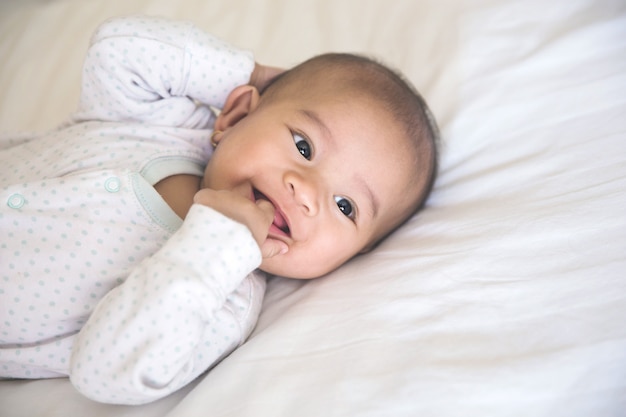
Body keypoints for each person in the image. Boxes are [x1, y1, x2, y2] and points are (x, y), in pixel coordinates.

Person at [0, 15, 438, 404]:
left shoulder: (223, 300)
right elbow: (118, 47)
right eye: (303, 145)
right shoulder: (165, 122)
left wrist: (214, 245)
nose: (306, 192)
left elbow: (107, 372)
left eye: (346, 206)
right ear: (234, 117)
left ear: (350, 255)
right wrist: (253, 75)